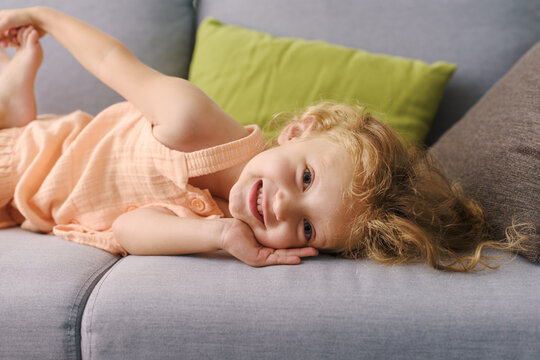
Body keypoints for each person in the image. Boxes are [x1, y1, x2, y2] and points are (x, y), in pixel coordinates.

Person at [0, 7, 525, 271]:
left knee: (22, 141)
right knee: (22, 145)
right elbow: (114, 62)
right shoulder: (191, 121)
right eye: (305, 177)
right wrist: (46, 16)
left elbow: (130, 227)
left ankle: (17, 91)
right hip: (38, 158)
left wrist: (221, 239)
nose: (280, 207)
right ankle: (20, 83)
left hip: (36, 197)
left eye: (306, 226)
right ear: (298, 131)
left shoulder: (221, 219)